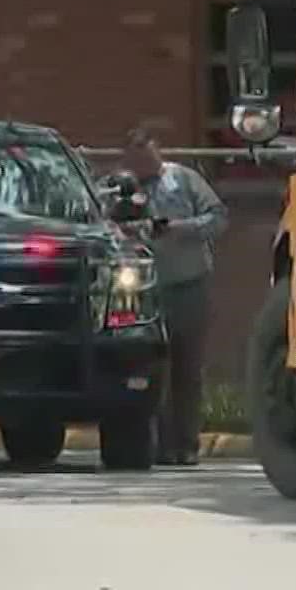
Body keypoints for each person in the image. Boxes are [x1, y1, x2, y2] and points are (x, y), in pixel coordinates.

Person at [122, 126, 228, 466]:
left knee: (187, 368)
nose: (145, 164)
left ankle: (186, 444)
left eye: (150, 156)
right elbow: (102, 223)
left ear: (159, 152)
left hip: (189, 284)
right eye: (138, 159)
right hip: (146, 291)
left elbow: (218, 217)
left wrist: (179, 228)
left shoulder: (183, 180)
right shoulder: (121, 188)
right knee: (151, 369)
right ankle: (157, 444)